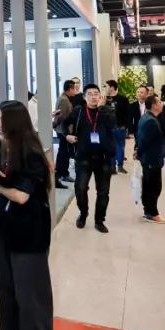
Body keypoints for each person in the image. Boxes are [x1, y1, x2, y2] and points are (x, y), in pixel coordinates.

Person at [0, 101, 55, 330]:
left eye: (1, 118)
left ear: (14, 121)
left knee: (31, 294)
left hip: (30, 232)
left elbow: (22, 196)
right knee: (6, 289)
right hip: (6, 229)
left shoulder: (32, 153)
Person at [62, 83, 117, 233]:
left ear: (100, 96)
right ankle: (83, 213)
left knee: (103, 192)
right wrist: (67, 135)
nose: (93, 97)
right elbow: (63, 124)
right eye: (90, 94)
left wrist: (102, 108)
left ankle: (99, 220)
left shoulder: (107, 111)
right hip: (83, 157)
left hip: (103, 158)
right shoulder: (79, 111)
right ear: (85, 97)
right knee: (80, 188)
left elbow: (112, 125)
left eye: (96, 94)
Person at [135, 95, 165, 224]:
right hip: (151, 159)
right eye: (159, 102)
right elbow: (144, 141)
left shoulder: (147, 117)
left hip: (149, 158)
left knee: (149, 185)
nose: (162, 104)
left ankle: (148, 211)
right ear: (154, 105)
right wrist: (138, 152)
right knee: (154, 187)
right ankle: (152, 213)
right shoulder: (151, 121)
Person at [51, 80, 77, 189]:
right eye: (74, 89)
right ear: (69, 89)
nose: (75, 91)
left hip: (63, 130)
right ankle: (63, 174)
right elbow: (60, 116)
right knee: (64, 153)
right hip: (63, 131)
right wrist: (55, 126)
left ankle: (62, 173)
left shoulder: (64, 98)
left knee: (64, 152)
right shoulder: (64, 100)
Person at [105, 80, 130, 174]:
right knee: (110, 147)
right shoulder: (104, 99)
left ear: (112, 87)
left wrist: (125, 126)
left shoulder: (123, 99)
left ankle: (120, 166)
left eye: (106, 86)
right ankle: (112, 167)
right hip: (109, 127)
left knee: (120, 147)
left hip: (120, 127)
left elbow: (127, 114)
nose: (105, 88)